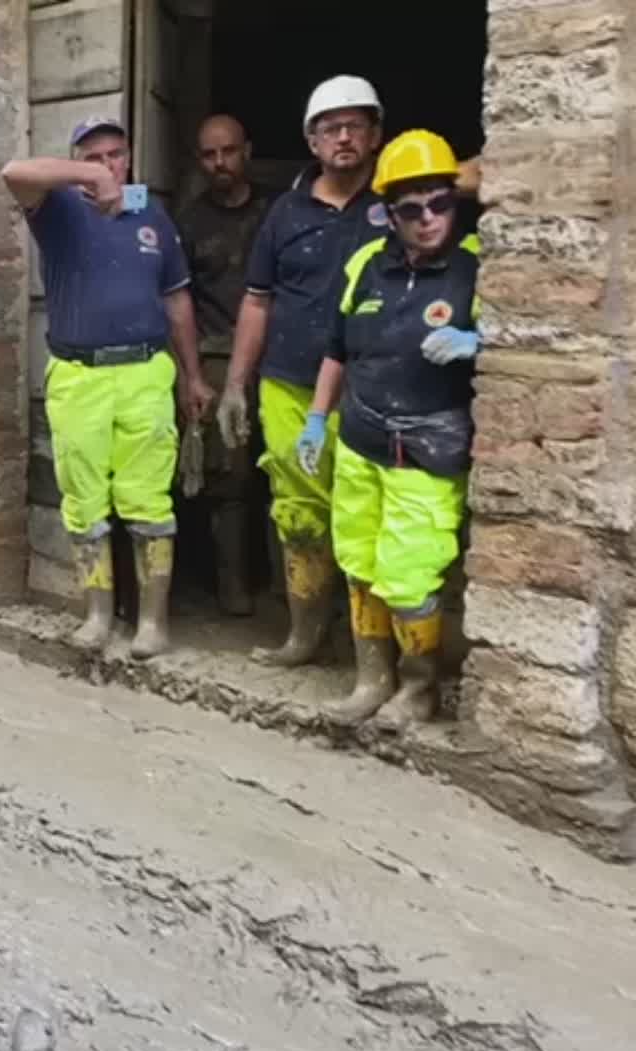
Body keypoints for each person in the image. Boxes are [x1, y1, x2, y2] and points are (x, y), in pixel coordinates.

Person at [2, 117, 212, 659]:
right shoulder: (57, 209)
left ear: (130, 158)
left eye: (116, 155)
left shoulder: (152, 215)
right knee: (85, 502)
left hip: (145, 372)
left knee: (149, 502)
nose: (108, 164)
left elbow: (177, 300)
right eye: (94, 156)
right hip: (79, 375)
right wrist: (87, 178)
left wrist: (193, 375)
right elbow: (13, 171)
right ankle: (97, 616)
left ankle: (152, 623)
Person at [295, 130, 479, 728]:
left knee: (410, 574)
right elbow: (336, 352)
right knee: (359, 561)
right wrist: (318, 420)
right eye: (411, 209)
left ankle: (418, 688)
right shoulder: (366, 266)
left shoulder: (476, 264)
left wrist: (481, 340)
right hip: (361, 441)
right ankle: (370, 679)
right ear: (389, 214)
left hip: (427, 450)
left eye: (439, 204)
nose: (428, 219)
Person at [215, 75, 393, 668]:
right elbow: (258, 300)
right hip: (289, 385)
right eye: (329, 129)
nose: (342, 138)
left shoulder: (398, 204)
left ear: (375, 135)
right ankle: (305, 635)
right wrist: (236, 385)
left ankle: (371, 652)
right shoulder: (285, 213)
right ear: (312, 142)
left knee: (369, 517)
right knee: (299, 513)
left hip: (371, 391)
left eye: (354, 126)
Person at [174, 114, 275, 616]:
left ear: (247, 152)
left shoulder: (274, 214)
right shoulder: (189, 222)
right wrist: (189, 372)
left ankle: (288, 589)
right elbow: (178, 300)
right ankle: (232, 587)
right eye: (210, 155)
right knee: (227, 479)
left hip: (276, 358)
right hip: (215, 354)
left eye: (229, 152)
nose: (220, 163)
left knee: (282, 474)